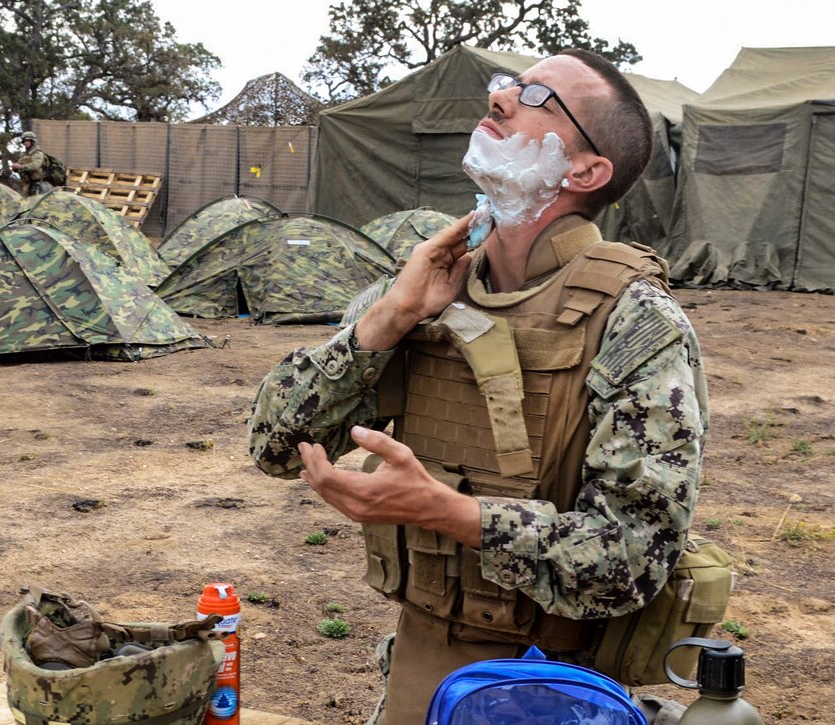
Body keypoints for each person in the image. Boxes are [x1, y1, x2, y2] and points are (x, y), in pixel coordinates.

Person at [248, 48, 708, 724]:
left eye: (537, 97)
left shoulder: (636, 320)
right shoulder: (426, 288)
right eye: (506, 85)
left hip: (559, 694)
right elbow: (274, 445)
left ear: (587, 169)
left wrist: (448, 512)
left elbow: (633, 558)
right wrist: (386, 321)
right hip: (416, 681)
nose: (499, 100)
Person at [11, 131, 51, 196]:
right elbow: (19, 164)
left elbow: (35, 166)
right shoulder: (26, 155)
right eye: (24, 141)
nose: (25, 142)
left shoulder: (38, 153)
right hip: (27, 185)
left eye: (28, 141)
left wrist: (21, 167)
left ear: (32, 141)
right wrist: (15, 167)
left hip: (38, 185)